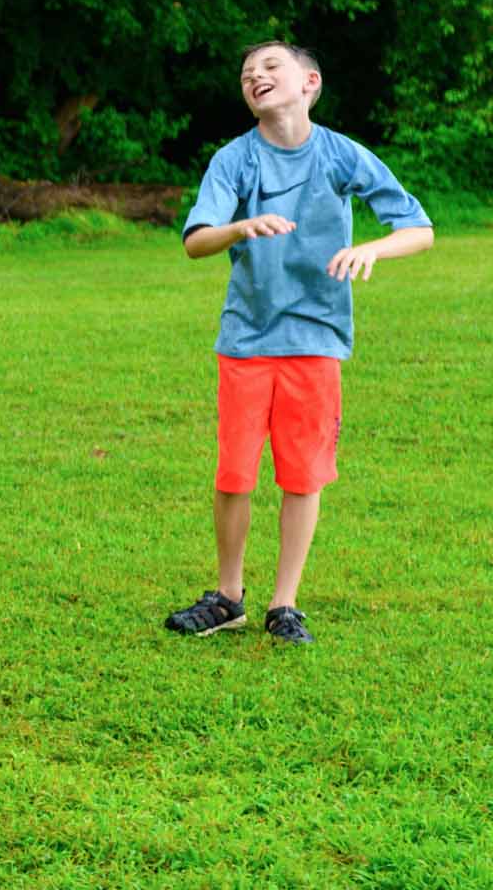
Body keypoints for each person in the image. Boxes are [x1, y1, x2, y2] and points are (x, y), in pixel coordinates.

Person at [164, 41, 433, 646]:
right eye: (246, 73)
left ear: (309, 82)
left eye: (270, 67)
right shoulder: (234, 160)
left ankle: (284, 605)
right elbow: (196, 241)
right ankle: (228, 597)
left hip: (316, 342)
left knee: (302, 476)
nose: (255, 76)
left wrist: (371, 248)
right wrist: (239, 226)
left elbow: (419, 230)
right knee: (234, 473)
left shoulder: (340, 155)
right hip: (247, 340)